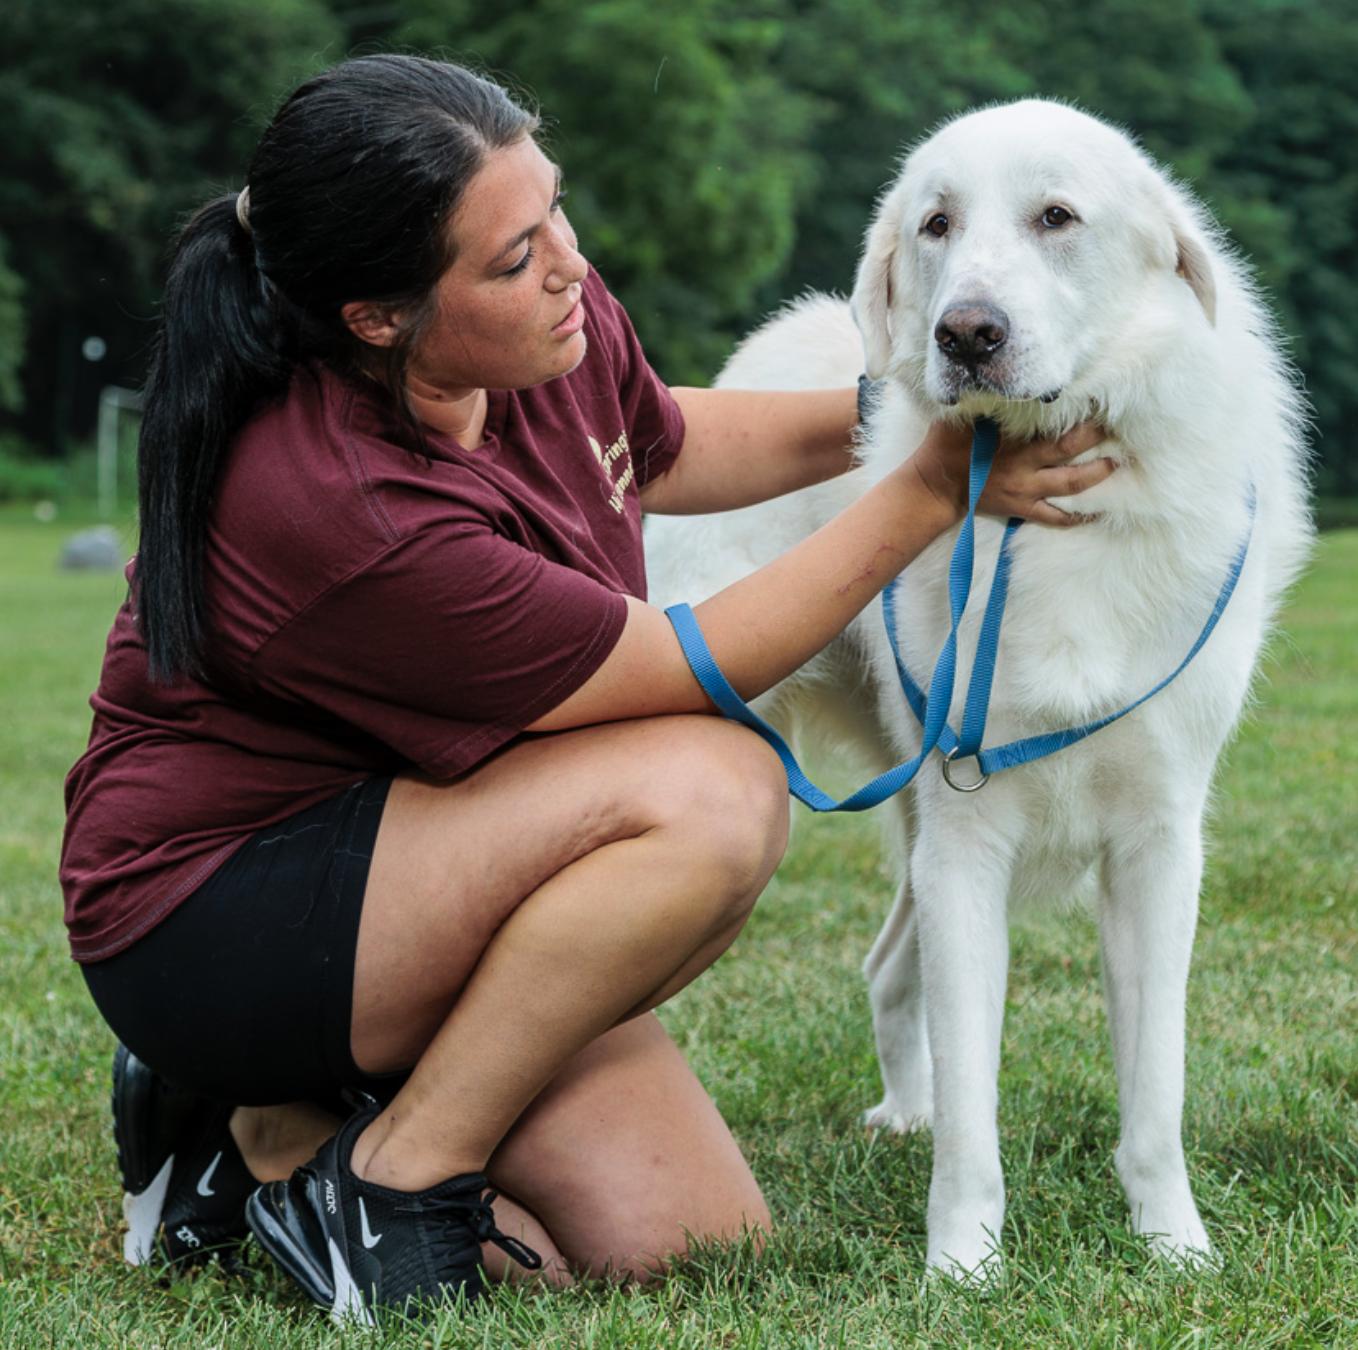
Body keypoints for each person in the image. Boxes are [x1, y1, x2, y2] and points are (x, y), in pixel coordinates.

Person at [60, 54, 1113, 1323]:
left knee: (681, 1241)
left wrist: (900, 402)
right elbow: (685, 665)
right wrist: (931, 483)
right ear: (377, 319)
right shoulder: (342, 504)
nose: (564, 262)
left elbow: (659, 437)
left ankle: (280, 1119)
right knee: (712, 792)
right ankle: (374, 1164)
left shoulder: (539, 319)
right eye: (510, 256)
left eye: (552, 207)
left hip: (436, 847)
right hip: (220, 906)